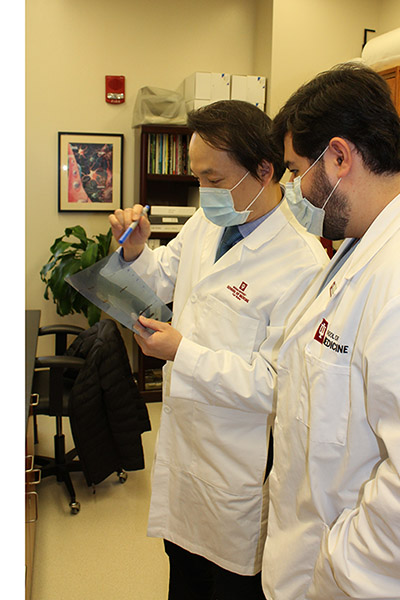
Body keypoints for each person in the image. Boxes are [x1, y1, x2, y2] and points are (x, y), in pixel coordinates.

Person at [261, 63, 400, 599]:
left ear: (339, 157)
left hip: (360, 584)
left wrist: (333, 571)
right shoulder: (366, 244)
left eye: (296, 172)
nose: (293, 191)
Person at [109, 100, 329, 600]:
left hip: (237, 468)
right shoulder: (209, 221)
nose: (203, 191)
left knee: (227, 587)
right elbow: (162, 277)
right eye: (197, 177)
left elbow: (277, 385)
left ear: (264, 170)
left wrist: (182, 353)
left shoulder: (302, 263)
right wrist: (136, 250)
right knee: (183, 579)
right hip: (186, 451)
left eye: (213, 178)